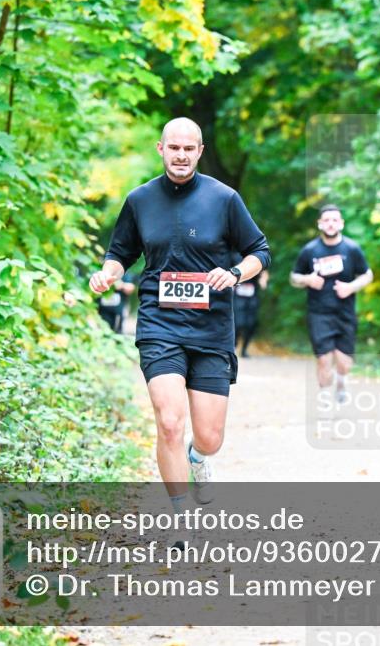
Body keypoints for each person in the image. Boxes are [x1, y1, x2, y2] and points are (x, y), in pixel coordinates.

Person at [88, 117, 270, 525]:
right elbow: (119, 253)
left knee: (210, 437)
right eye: (174, 148)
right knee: (169, 422)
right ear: (161, 149)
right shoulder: (140, 200)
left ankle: (198, 458)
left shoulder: (224, 198)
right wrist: (107, 274)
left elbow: (260, 251)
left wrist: (235, 273)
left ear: (200, 151)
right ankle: (180, 516)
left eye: (189, 148)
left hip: (211, 328)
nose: (181, 155)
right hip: (159, 324)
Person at [290, 204, 373, 403]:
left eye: (335, 220)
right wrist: (307, 280)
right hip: (318, 312)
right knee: (324, 358)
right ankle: (325, 395)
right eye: (326, 220)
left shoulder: (351, 249)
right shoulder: (310, 250)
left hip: (345, 312)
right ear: (319, 224)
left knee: (344, 362)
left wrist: (351, 287)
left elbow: (368, 275)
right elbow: (294, 277)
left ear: (341, 223)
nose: (330, 224)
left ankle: (342, 382)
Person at [230, 249, 268, 357]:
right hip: (238, 295)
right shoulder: (234, 255)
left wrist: (263, 280)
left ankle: (244, 349)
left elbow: (264, 270)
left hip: (252, 295)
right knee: (238, 323)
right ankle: (234, 346)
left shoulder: (256, 253)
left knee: (251, 324)